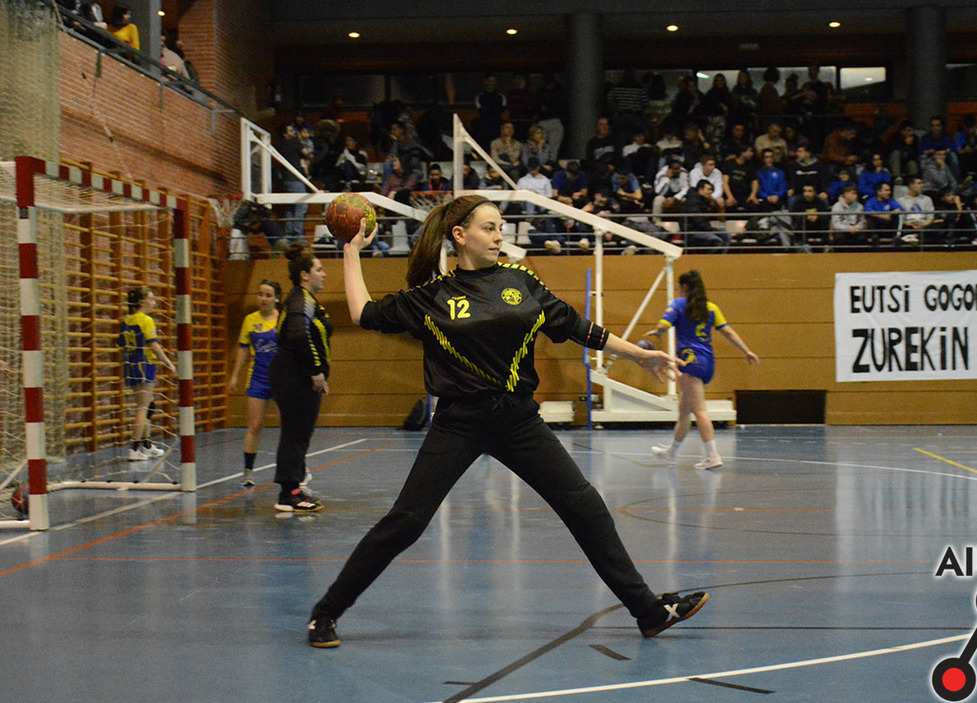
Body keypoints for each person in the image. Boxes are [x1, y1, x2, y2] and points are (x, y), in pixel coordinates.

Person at [307, 195, 708, 648]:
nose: (500, 236)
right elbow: (363, 314)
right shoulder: (433, 296)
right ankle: (325, 613)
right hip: (459, 423)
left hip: (519, 422)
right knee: (406, 521)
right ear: (460, 235)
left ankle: (648, 612)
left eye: (501, 227)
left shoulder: (521, 281)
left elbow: (575, 325)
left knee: (586, 507)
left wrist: (638, 355)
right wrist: (351, 250)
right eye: (490, 228)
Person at [646, 270, 758, 470]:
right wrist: (746, 350)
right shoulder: (711, 307)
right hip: (707, 362)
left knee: (699, 411)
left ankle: (712, 456)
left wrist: (657, 332)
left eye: (679, 287)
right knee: (684, 411)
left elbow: (663, 325)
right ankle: (671, 453)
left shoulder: (679, 304)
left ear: (684, 288)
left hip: (690, 360)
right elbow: (727, 331)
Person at [269, 244, 330, 513]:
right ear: (305, 275)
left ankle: (292, 488)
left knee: (298, 434)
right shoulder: (300, 301)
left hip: (296, 376)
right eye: (319, 269)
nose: (324, 274)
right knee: (295, 434)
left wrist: (319, 374)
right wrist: (315, 372)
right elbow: (298, 336)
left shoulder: (305, 299)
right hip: (293, 376)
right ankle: (289, 493)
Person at [228, 280, 283, 488]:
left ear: (276, 298)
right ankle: (248, 473)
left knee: (286, 425)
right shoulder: (250, 320)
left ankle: (297, 468)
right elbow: (243, 349)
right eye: (260, 294)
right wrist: (235, 376)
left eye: (268, 295)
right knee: (254, 426)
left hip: (281, 379)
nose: (263, 299)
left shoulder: (283, 319)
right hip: (258, 378)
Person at [118, 288, 177, 461]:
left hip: (131, 365)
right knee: (142, 407)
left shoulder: (125, 321)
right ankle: (135, 448)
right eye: (151, 299)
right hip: (144, 364)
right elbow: (154, 345)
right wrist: (169, 363)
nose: (154, 303)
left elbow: (121, 346)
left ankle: (147, 445)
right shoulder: (146, 320)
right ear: (142, 302)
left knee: (148, 405)